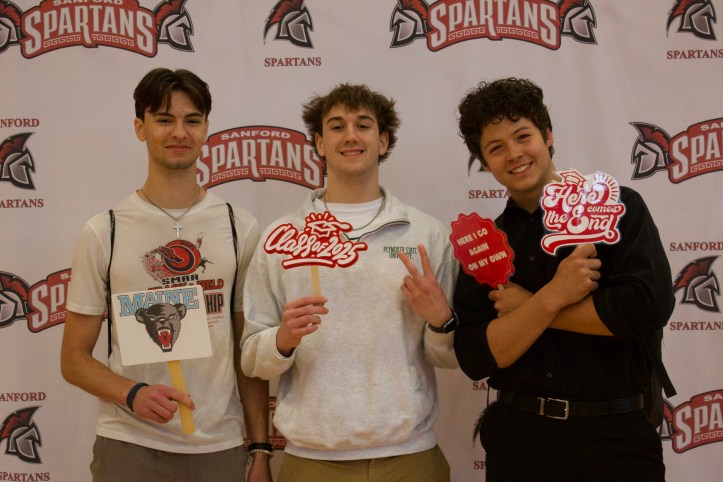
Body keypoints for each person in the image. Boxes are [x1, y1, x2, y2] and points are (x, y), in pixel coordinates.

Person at [452, 77, 674, 481]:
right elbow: (475, 357)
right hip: (519, 441)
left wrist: (529, 307)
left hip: (617, 440)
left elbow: (645, 308)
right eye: (495, 148)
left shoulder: (617, 207)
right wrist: (552, 296)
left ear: (548, 135)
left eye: (523, 136)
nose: (514, 154)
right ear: (483, 162)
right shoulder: (485, 244)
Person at [61, 68, 272, 482]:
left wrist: (261, 448)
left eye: (192, 120)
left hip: (218, 446)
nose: (179, 132)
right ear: (140, 127)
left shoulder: (239, 227)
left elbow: (247, 353)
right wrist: (131, 393)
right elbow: (73, 360)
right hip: (129, 443)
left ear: (206, 129)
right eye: (163, 119)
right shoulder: (104, 231)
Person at [240, 83, 459, 481]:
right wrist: (282, 340)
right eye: (337, 126)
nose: (351, 136)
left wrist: (441, 321)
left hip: (410, 457)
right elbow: (253, 359)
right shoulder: (280, 237)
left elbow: (450, 357)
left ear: (383, 140)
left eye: (363, 125)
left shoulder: (426, 234)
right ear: (320, 143)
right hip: (312, 461)